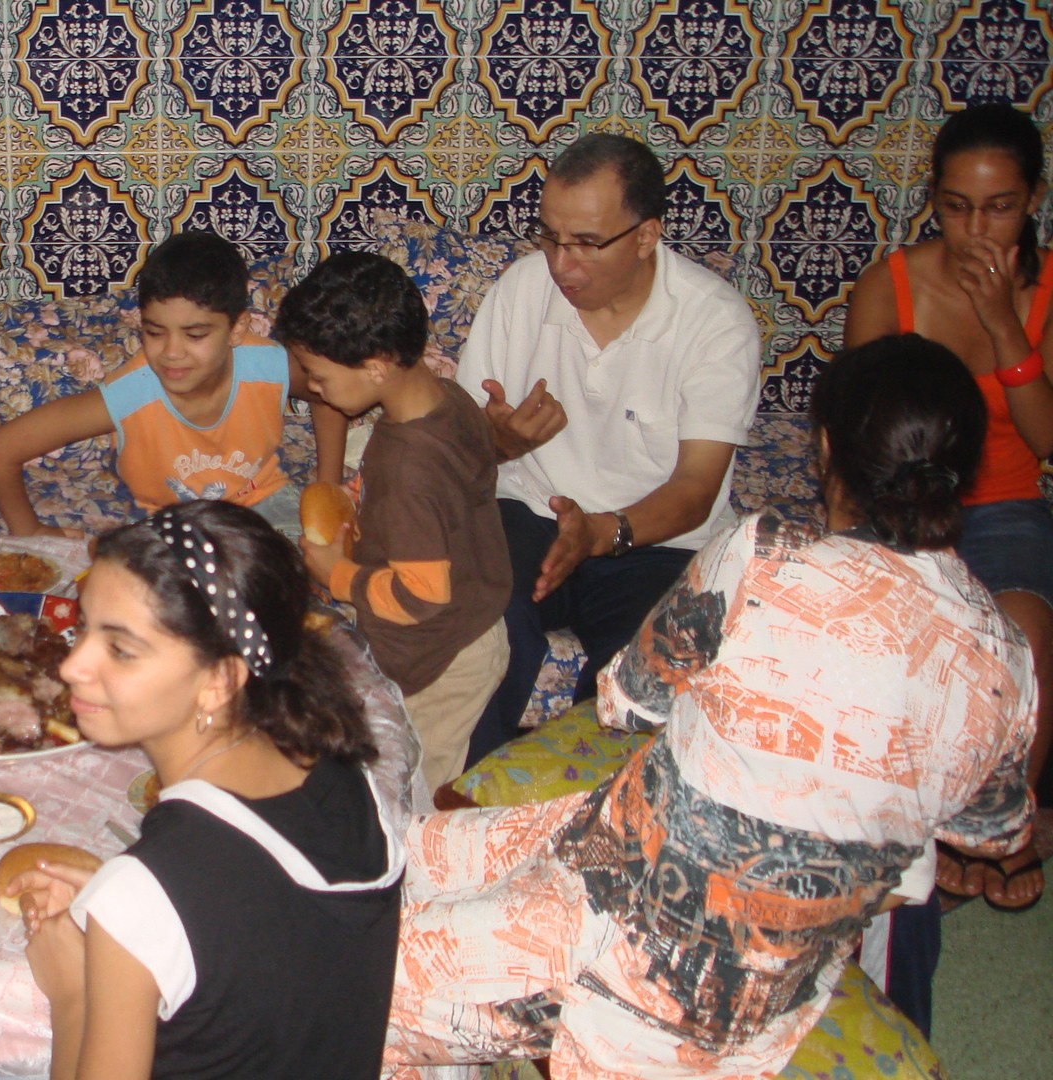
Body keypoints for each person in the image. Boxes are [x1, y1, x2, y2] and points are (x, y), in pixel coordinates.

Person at [383, 335, 1036, 1079]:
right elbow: (993, 828)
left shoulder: (765, 554)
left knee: (358, 978)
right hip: (753, 979)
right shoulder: (1006, 654)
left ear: (823, 449)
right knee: (422, 856)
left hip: (619, 929)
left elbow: (629, 699)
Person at [8, 500, 404, 1079]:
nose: (72, 665)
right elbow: (272, 929)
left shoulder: (145, 893)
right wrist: (146, 924)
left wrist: (75, 993)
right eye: (83, 628)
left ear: (220, 679)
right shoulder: (352, 782)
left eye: (120, 648)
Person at [458, 132, 761, 768]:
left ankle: (584, 822)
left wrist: (602, 533)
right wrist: (500, 442)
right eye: (550, 237)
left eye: (587, 243)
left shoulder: (714, 321)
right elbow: (459, 443)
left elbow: (697, 487)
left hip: (654, 541)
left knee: (639, 677)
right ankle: (463, 808)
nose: (561, 264)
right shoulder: (521, 291)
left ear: (647, 236)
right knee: (480, 619)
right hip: (531, 513)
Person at [844, 102, 1051, 915]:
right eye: (957, 207)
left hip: (1001, 501)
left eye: (998, 207)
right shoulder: (891, 285)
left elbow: (1045, 439)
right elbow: (858, 427)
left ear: (1030, 199)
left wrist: (1005, 327)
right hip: (899, 496)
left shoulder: (1043, 293)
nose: (975, 230)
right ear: (935, 202)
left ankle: (1003, 827)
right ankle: (906, 828)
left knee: (1026, 637)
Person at [274, 251, 512, 791]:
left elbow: (420, 596)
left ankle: (416, 869)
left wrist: (337, 574)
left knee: (411, 783)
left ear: (375, 366)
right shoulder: (447, 401)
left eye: (318, 376)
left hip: (442, 657)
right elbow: (453, 504)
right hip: (474, 618)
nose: (314, 390)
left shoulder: (408, 466)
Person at [0, 232, 348, 538]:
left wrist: (327, 486)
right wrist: (28, 530)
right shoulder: (132, 393)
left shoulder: (267, 364)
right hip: (170, 527)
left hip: (263, 505)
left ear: (237, 329)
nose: (172, 353)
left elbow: (326, 393)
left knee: (318, 565)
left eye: (195, 334)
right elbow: (1, 450)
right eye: (155, 333)